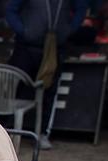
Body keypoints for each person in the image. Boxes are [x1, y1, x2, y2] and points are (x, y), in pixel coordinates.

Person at [6, 0, 91, 144]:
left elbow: (81, 9)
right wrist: (23, 31)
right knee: (18, 87)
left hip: (54, 48)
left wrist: (69, 30)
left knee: (49, 89)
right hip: (26, 47)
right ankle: (7, 130)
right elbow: (10, 10)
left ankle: (42, 133)